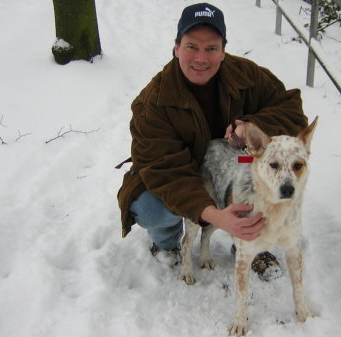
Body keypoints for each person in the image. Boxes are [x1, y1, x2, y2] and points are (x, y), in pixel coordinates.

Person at [117, 3, 308, 280]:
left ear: (223, 51)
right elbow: (165, 172)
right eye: (192, 47)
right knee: (150, 208)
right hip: (183, 170)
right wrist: (212, 215)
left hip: (231, 164)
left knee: (270, 176)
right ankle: (168, 242)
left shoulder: (247, 74)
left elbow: (291, 110)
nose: (201, 58)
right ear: (176, 48)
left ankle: (251, 241)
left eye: (211, 48)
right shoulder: (153, 102)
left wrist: (252, 126)